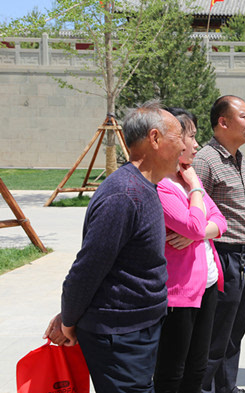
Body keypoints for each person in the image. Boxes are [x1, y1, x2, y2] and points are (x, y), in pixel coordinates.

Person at [43, 100, 185, 393]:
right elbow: (88, 268)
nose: (184, 147)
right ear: (155, 139)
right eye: (178, 137)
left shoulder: (146, 186)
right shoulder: (124, 194)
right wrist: (69, 319)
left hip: (138, 328)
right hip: (119, 335)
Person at [154, 108, 228, 393]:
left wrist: (196, 234)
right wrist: (197, 189)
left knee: (197, 366)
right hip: (178, 292)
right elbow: (197, 226)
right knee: (173, 371)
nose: (197, 144)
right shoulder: (165, 185)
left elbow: (219, 220)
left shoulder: (186, 176)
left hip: (206, 283)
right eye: (191, 137)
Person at [192, 95, 245, 393]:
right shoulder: (205, 160)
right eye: (244, 116)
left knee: (234, 331)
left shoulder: (238, 158)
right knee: (215, 333)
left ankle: (226, 388)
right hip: (223, 256)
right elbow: (192, 205)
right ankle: (201, 388)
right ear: (223, 122)